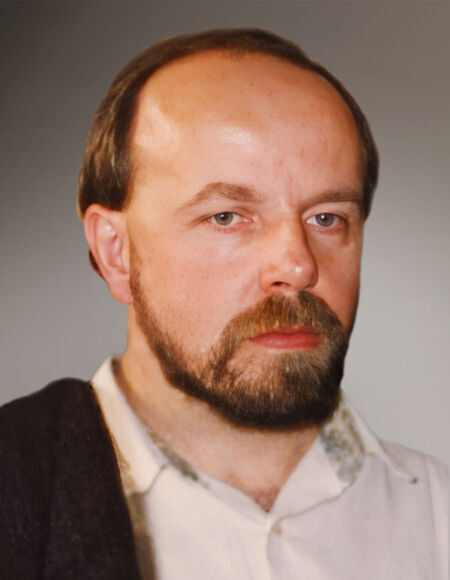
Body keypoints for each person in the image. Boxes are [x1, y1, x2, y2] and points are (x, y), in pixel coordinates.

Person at [0, 28, 447, 579]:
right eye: (227, 216)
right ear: (116, 253)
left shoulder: (438, 517)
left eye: (326, 217)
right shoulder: (16, 489)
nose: (298, 267)